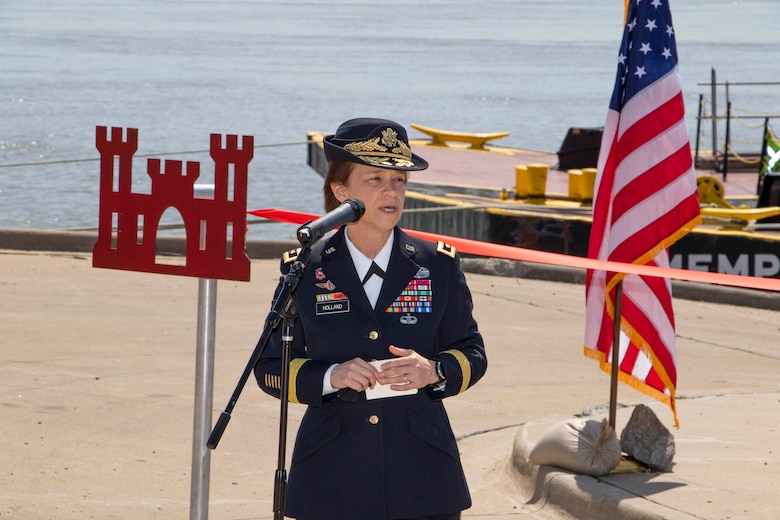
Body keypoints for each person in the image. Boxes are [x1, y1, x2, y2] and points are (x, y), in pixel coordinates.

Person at [254, 117, 487, 520]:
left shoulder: (438, 265)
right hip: (331, 473)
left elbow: (472, 353)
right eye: (375, 179)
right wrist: (332, 376)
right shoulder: (305, 268)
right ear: (341, 190)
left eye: (398, 180)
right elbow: (269, 367)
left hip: (423, 475)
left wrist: (433, 370)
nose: (391, 191)